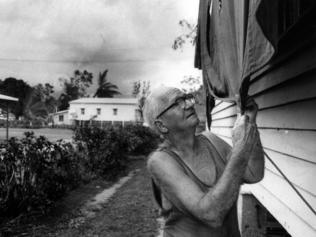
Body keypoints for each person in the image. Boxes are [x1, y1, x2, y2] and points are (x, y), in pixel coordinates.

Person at [143, 86, 264, 237]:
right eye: (177, 103)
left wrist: (249, 121)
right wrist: (240, 149)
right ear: (161, 125)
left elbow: (254, 173)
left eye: (186, 98)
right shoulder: (160, 161)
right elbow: (210, 215)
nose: (189, 104)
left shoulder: (211, 140)